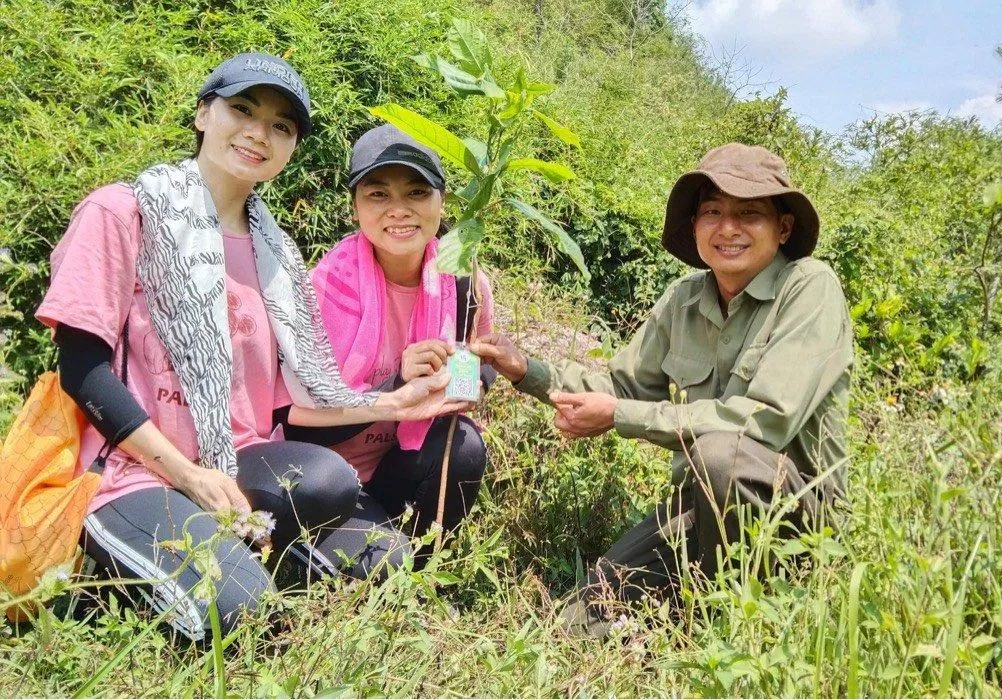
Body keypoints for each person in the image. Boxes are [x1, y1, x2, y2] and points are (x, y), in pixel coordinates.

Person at [34, 53, 466, 642]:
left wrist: (397, 402)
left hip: (238, 458)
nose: (259, 134)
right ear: (202, 114)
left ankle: (239, 551)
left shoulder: (278, 255)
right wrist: (186, 474)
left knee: (360, 522)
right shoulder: (125, 211)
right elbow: (81, 369)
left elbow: (291, 408)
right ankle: (105, 570)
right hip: (134, 468)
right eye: (243, 109)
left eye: (282, 126)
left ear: (290, 148)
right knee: (240, 615)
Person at [471, 143, 853, 633]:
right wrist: (524, 369)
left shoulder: (810, 286)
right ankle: (681, 611)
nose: (728, 228)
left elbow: (766, 419)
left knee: (721, 455)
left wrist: (619, 416)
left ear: (782, 228)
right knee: (579, 622)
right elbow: (622, 385)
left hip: (798, 515)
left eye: (749, 214)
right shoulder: (684, 298)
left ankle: (728, 628)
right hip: (702, 507)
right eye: (712, 211)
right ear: (695, 225)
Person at [301, 124, 494, 577]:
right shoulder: (321, 290)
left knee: (462, 445)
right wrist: (397, 385)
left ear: (441, 203)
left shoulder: (463, 281)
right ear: (354, 207)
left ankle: (428, 572)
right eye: (378, 194)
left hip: (398, 462)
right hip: (326, 474)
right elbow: (298, 426)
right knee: (386, 567)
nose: (399, 211)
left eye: (416, 192)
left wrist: (462, 386)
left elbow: (476, 359)